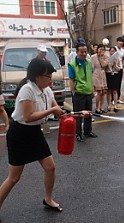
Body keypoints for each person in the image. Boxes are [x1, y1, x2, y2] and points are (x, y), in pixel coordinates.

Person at [0, 58, 65, 212]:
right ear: (37, 77)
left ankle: (48, 199)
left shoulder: (47, 90)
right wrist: (52, 111)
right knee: (14, 177)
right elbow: (28, 116)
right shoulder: (27, 89)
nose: (50, 80)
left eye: (51, 77)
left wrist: (70, 114)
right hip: (19, 134)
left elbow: (57, 108)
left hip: (35, 132)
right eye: (48, 77)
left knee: (50, 167)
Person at [68, 39, 98, 142]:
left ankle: (87, 131)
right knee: (78, 115)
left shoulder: (89, 63)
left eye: (85, 51)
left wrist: (92, 90)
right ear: (77, 52)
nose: (84, 54)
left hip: (88, 92)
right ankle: (78, 133)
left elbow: (90, 76)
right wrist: (73, 93)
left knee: (88, 114)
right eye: (82, 52)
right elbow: (71, 80)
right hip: (79, 93)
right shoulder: (72, 64)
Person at [91, 44, 108, 114]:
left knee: (103, 92)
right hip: (96, 74)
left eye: (103, 49)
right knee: (99, 92)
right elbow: (91, 67)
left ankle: (101, 107)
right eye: (100, 49)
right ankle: (97, 107)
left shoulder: (105, 57)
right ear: (97, 49)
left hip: (103, 74)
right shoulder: (93, 57)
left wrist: (101, 57)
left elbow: (104, 65)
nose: (101, 51)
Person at [106, 47, 121, 112]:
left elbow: (119, 69)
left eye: (113, 51)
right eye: (111, 51)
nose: (112, 52)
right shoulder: (107, 58)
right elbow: (105, 67)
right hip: (108, 74)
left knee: (115, 91)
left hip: (115, 74)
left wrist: (115, 65)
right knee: (108, 91)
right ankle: (109, 105)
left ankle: (115, 105)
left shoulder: (117, 59)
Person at [115, 36, 124, 104]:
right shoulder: (114, 49)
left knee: (119, 84)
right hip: (114, 69)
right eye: (119, 41)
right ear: (117, 42)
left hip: (121, 68)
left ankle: (118, 97)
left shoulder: (123, 51)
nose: (120, 43)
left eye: (121, 41)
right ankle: (113, 99)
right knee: (114, 84)